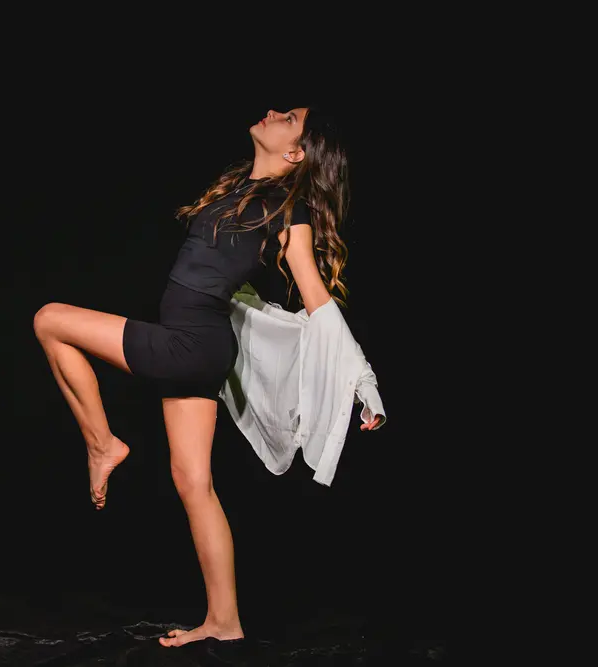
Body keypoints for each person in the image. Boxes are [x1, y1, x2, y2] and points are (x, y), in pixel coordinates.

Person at [32, 106, 383, 648]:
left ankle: (103, 445)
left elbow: (317, 299)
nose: (274, 112)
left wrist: (363, 380)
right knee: (194, 484)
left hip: (190, 344)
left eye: (289, 118)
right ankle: (224, 621)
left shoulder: (290, 211)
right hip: (201, 345)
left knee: (50, 320)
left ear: (297, 152)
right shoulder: (241, 188)